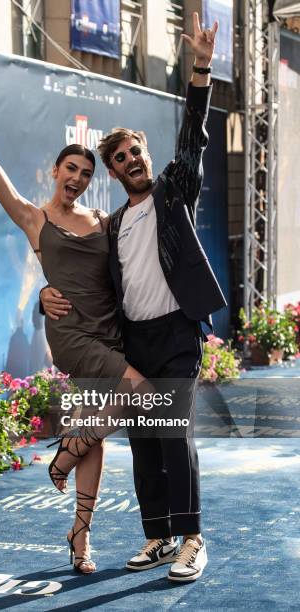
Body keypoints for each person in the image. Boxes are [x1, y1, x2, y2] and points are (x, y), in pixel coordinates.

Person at [0, 74, 148, 575]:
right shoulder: (33, 219)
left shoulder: (100, 219)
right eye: (71, 168)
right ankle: (64, 453)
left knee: (99, 435)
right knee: (143, 393)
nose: (78, 177)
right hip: (71, 335)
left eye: (86, 172)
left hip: (108, 330)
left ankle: (80, 537)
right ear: (55, 170)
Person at [40, 13, 226, 582]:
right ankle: (158, 537)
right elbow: (82, 282)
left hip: (175, 335)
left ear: (146, 153)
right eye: (119, 159)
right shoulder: (112, 224)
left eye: (135, 152)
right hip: (134, 342)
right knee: (144, 444)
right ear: (114, 172)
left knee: (174, 437)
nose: (131, 162)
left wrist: (200, 68)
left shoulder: (175, 193)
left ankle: (193, 538)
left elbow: (193, 135)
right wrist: (45, 294)